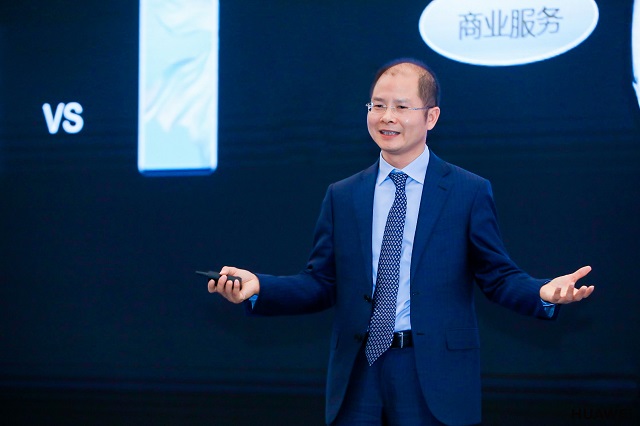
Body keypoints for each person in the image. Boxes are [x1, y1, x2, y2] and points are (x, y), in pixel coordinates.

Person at [208, 59, 595, 426]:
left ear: (431, 117)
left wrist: (543, 292)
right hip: (358, 373)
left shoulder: (467, 191)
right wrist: (260, 288)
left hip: (432, 373)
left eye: (401, 106)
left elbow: (498, 277)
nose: (386, 117)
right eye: (377, 105)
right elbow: (320, 283)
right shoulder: (343, 195)